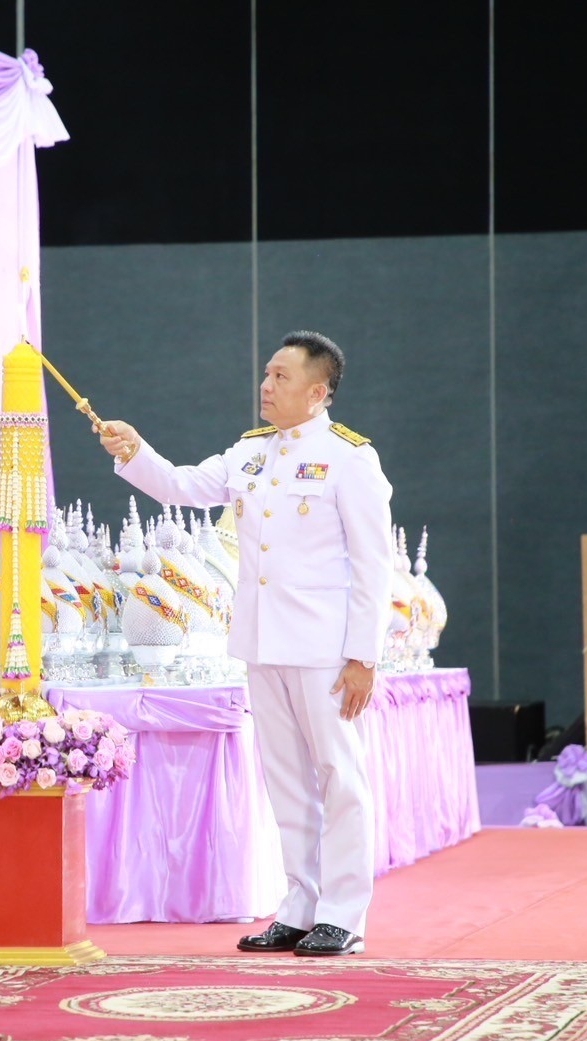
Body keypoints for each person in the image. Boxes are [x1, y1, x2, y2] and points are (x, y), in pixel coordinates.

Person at [96, 331, 393, 957]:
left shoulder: (350, 458)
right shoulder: (251, 451)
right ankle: (299, 908)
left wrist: (364, 656)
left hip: (325, 650)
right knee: (286, 782)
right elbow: (182, 486)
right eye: (267, 373)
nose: (266, 385)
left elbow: (373, 563)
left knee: (340, 777)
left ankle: (343, 915)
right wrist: (135, 450)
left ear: (318, 392)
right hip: (262, 642)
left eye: (282, 377)